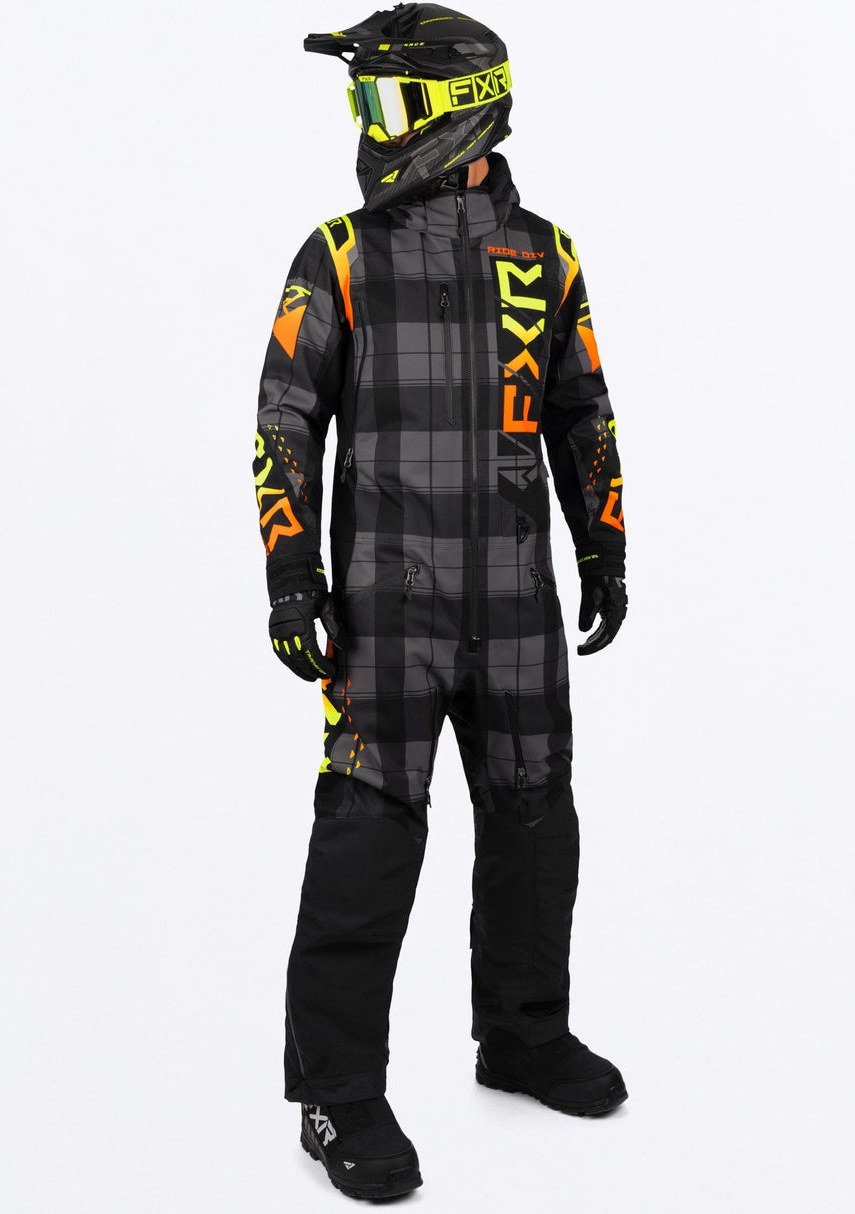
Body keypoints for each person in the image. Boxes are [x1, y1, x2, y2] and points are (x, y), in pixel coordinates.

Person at [253, 3, 629, 1199]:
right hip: (387, 610)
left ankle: (521, 1034)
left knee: (534, 824)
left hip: (516, 597)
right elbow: (284, 419)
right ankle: (335, 1093)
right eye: (361, 102)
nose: (367, 125)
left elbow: (580, 410)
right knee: (365, 839)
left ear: (455, 111)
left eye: (385, 101)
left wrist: (605, 548)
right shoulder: (338, 256)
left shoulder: (546, 256)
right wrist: (291, 575)